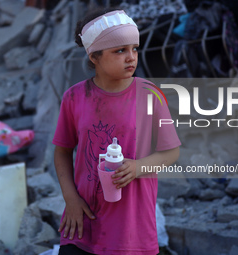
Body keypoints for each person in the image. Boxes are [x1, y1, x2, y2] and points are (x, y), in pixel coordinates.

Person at [53, 8, 181, 255]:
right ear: (94, 57)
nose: (131, 57)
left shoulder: (150, 94)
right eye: (120, 50)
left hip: (131, 228)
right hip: (83, 222)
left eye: (134, 48)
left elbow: (171, 152)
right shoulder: (74, 97)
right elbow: (62, 152)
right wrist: (70, 199)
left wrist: (137, 167)